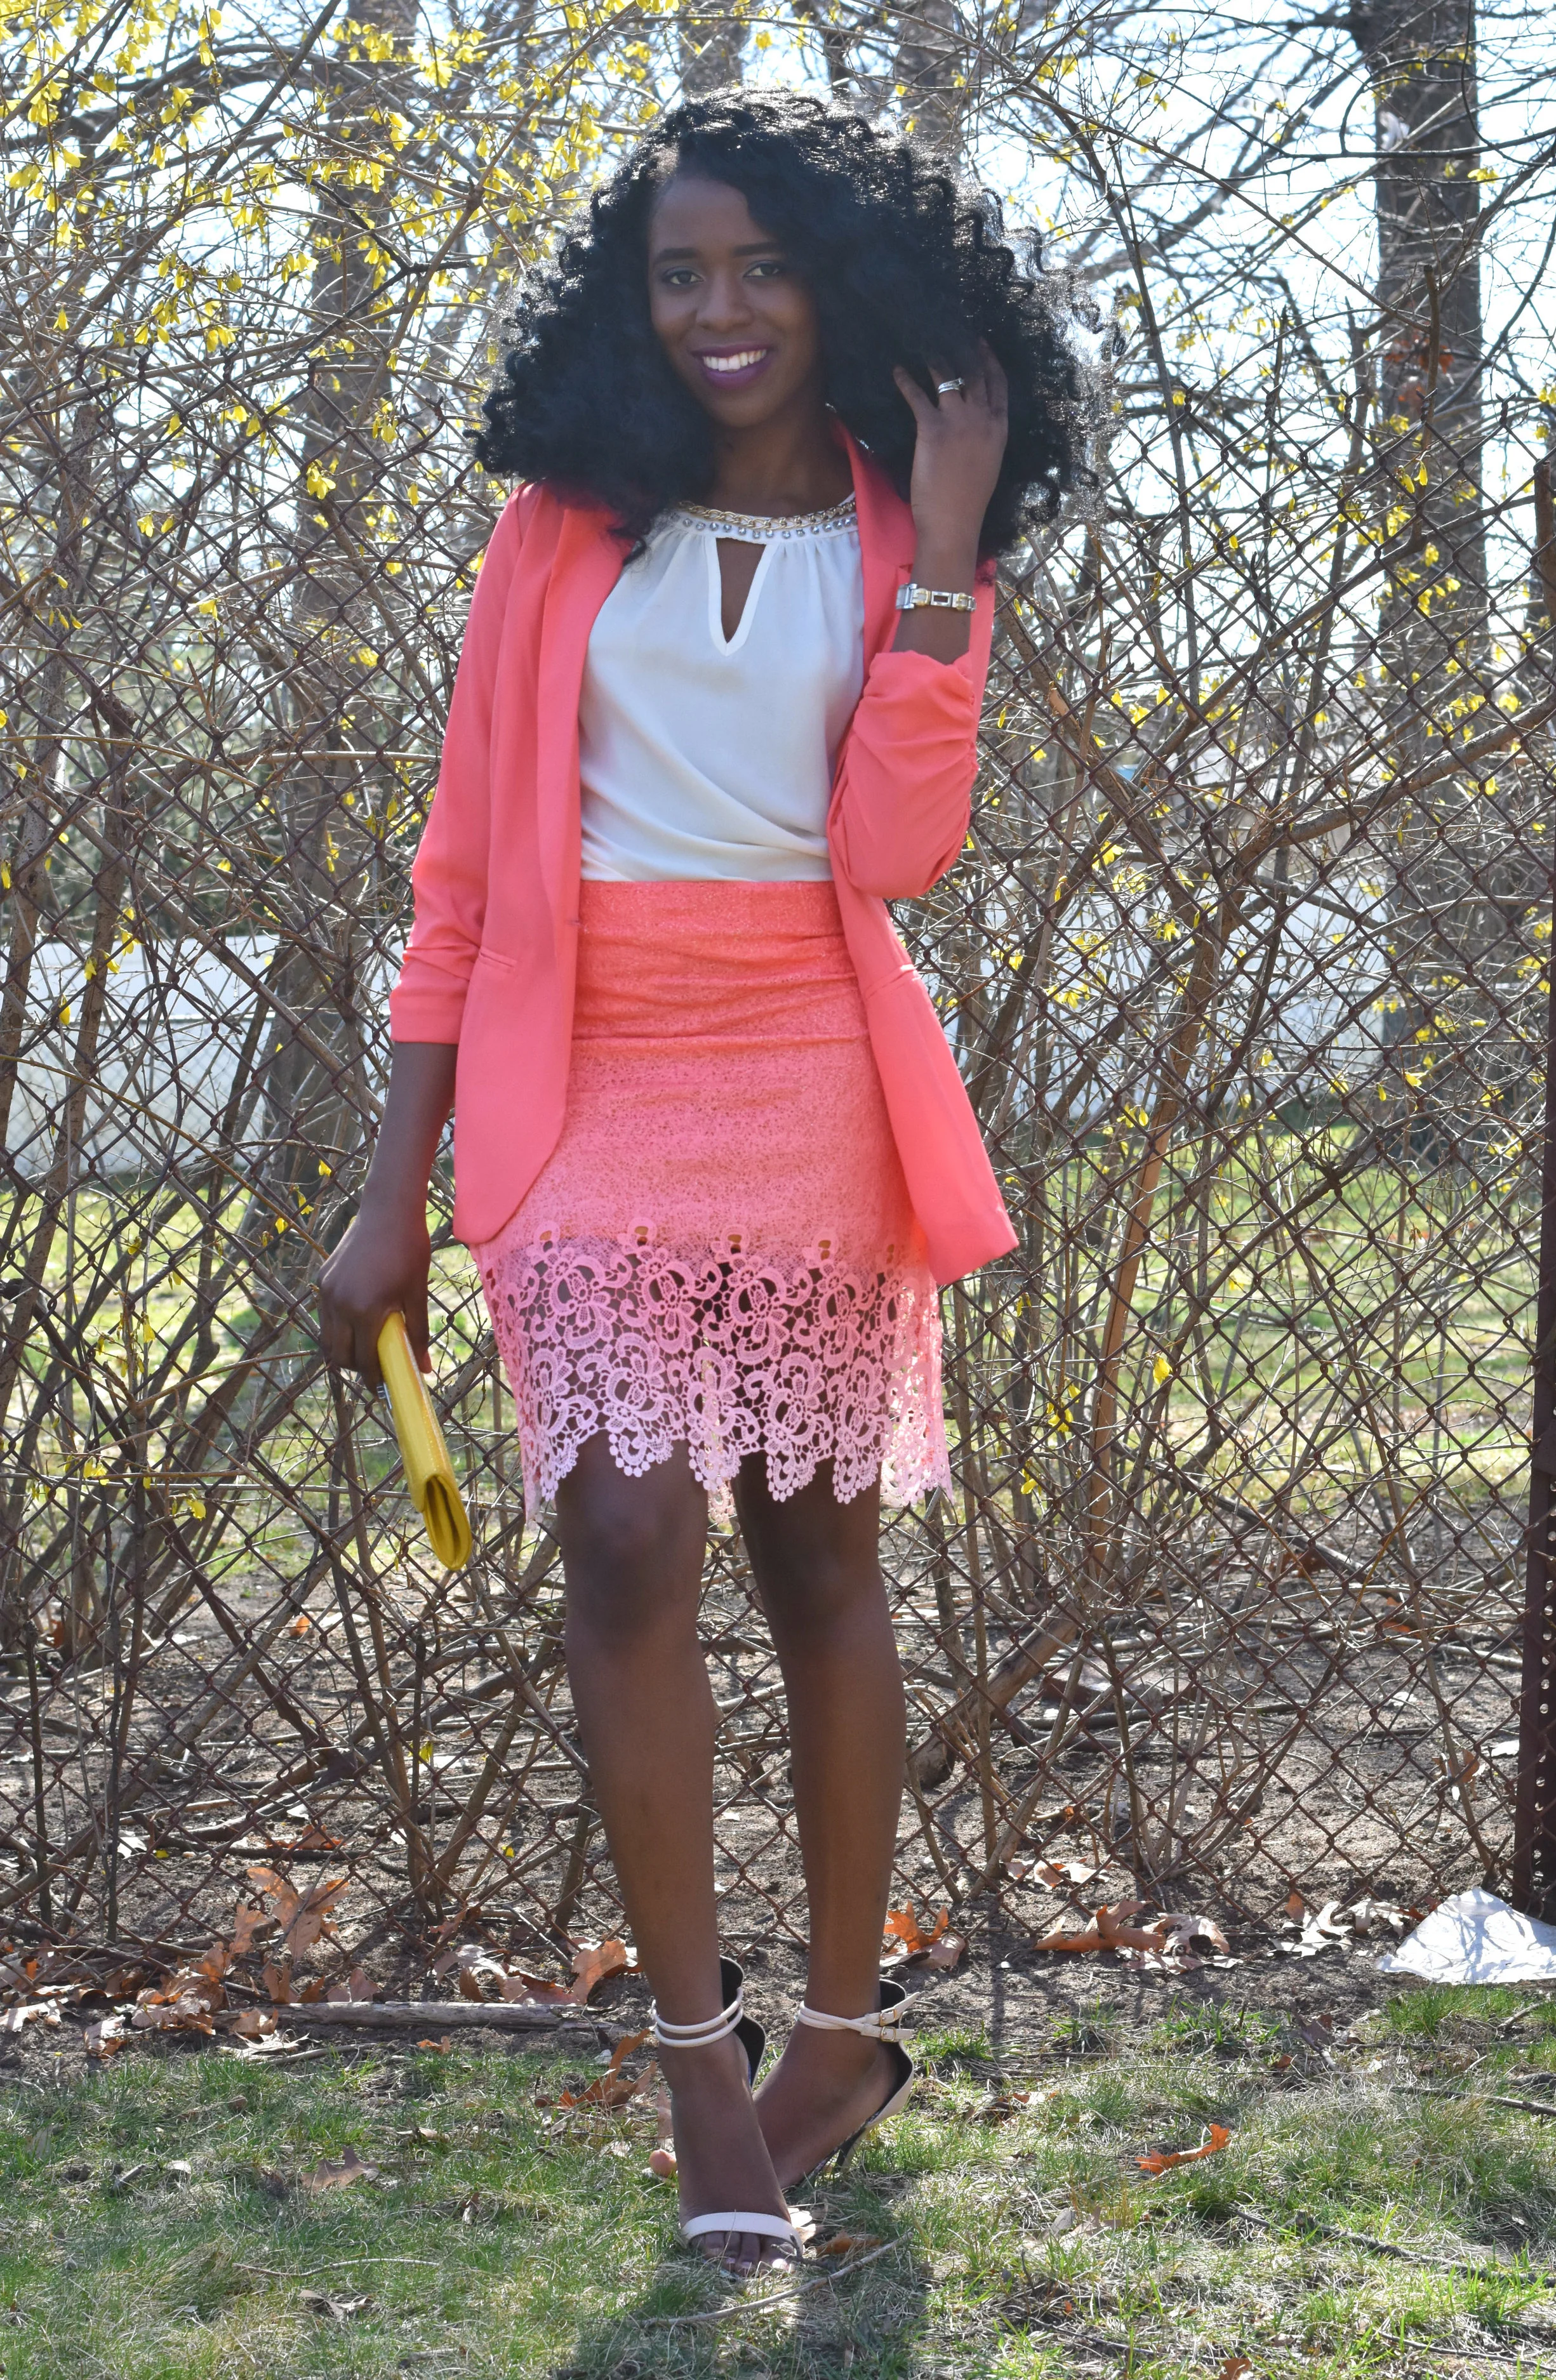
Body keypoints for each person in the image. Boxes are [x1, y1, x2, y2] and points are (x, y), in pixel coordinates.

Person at [317, 88, 1076, 2275]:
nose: (718, 308)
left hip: (811, 1065)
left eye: (758, 265)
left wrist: (944, 549)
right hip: (582, 1077)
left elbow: (895, 852)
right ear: (626, 300)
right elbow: (461, 881)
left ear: (836, 284)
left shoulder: (900, 524)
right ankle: (695, 2068)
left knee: (820, 1550)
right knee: (627, 1530)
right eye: (678, 273)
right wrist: (389, 1190)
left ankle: (837, 2039)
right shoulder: (561, 527)